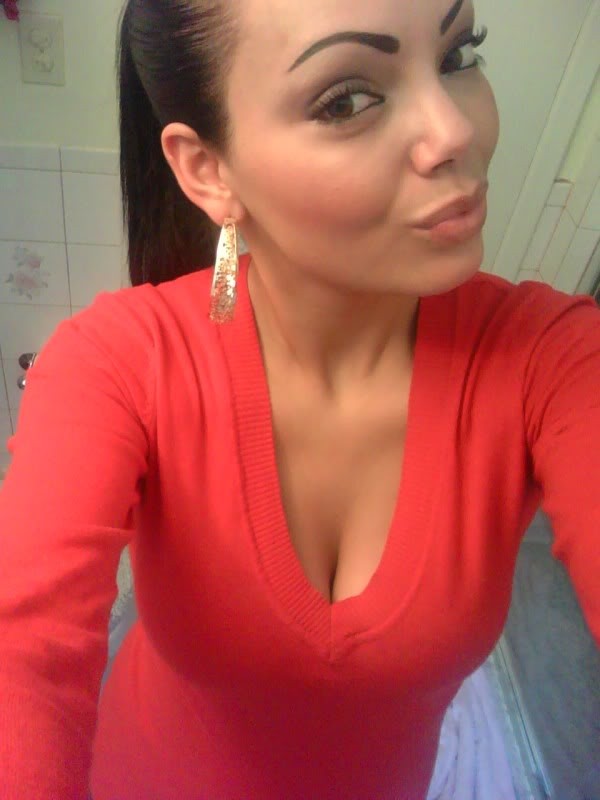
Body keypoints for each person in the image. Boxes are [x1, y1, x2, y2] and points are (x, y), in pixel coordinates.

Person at [0, 0, 598, 797]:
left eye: (457, 56)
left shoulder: (552, 359)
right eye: (346, 100)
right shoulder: (117, 363)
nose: (456, 131)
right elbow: (23, 648)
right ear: (208, 171)